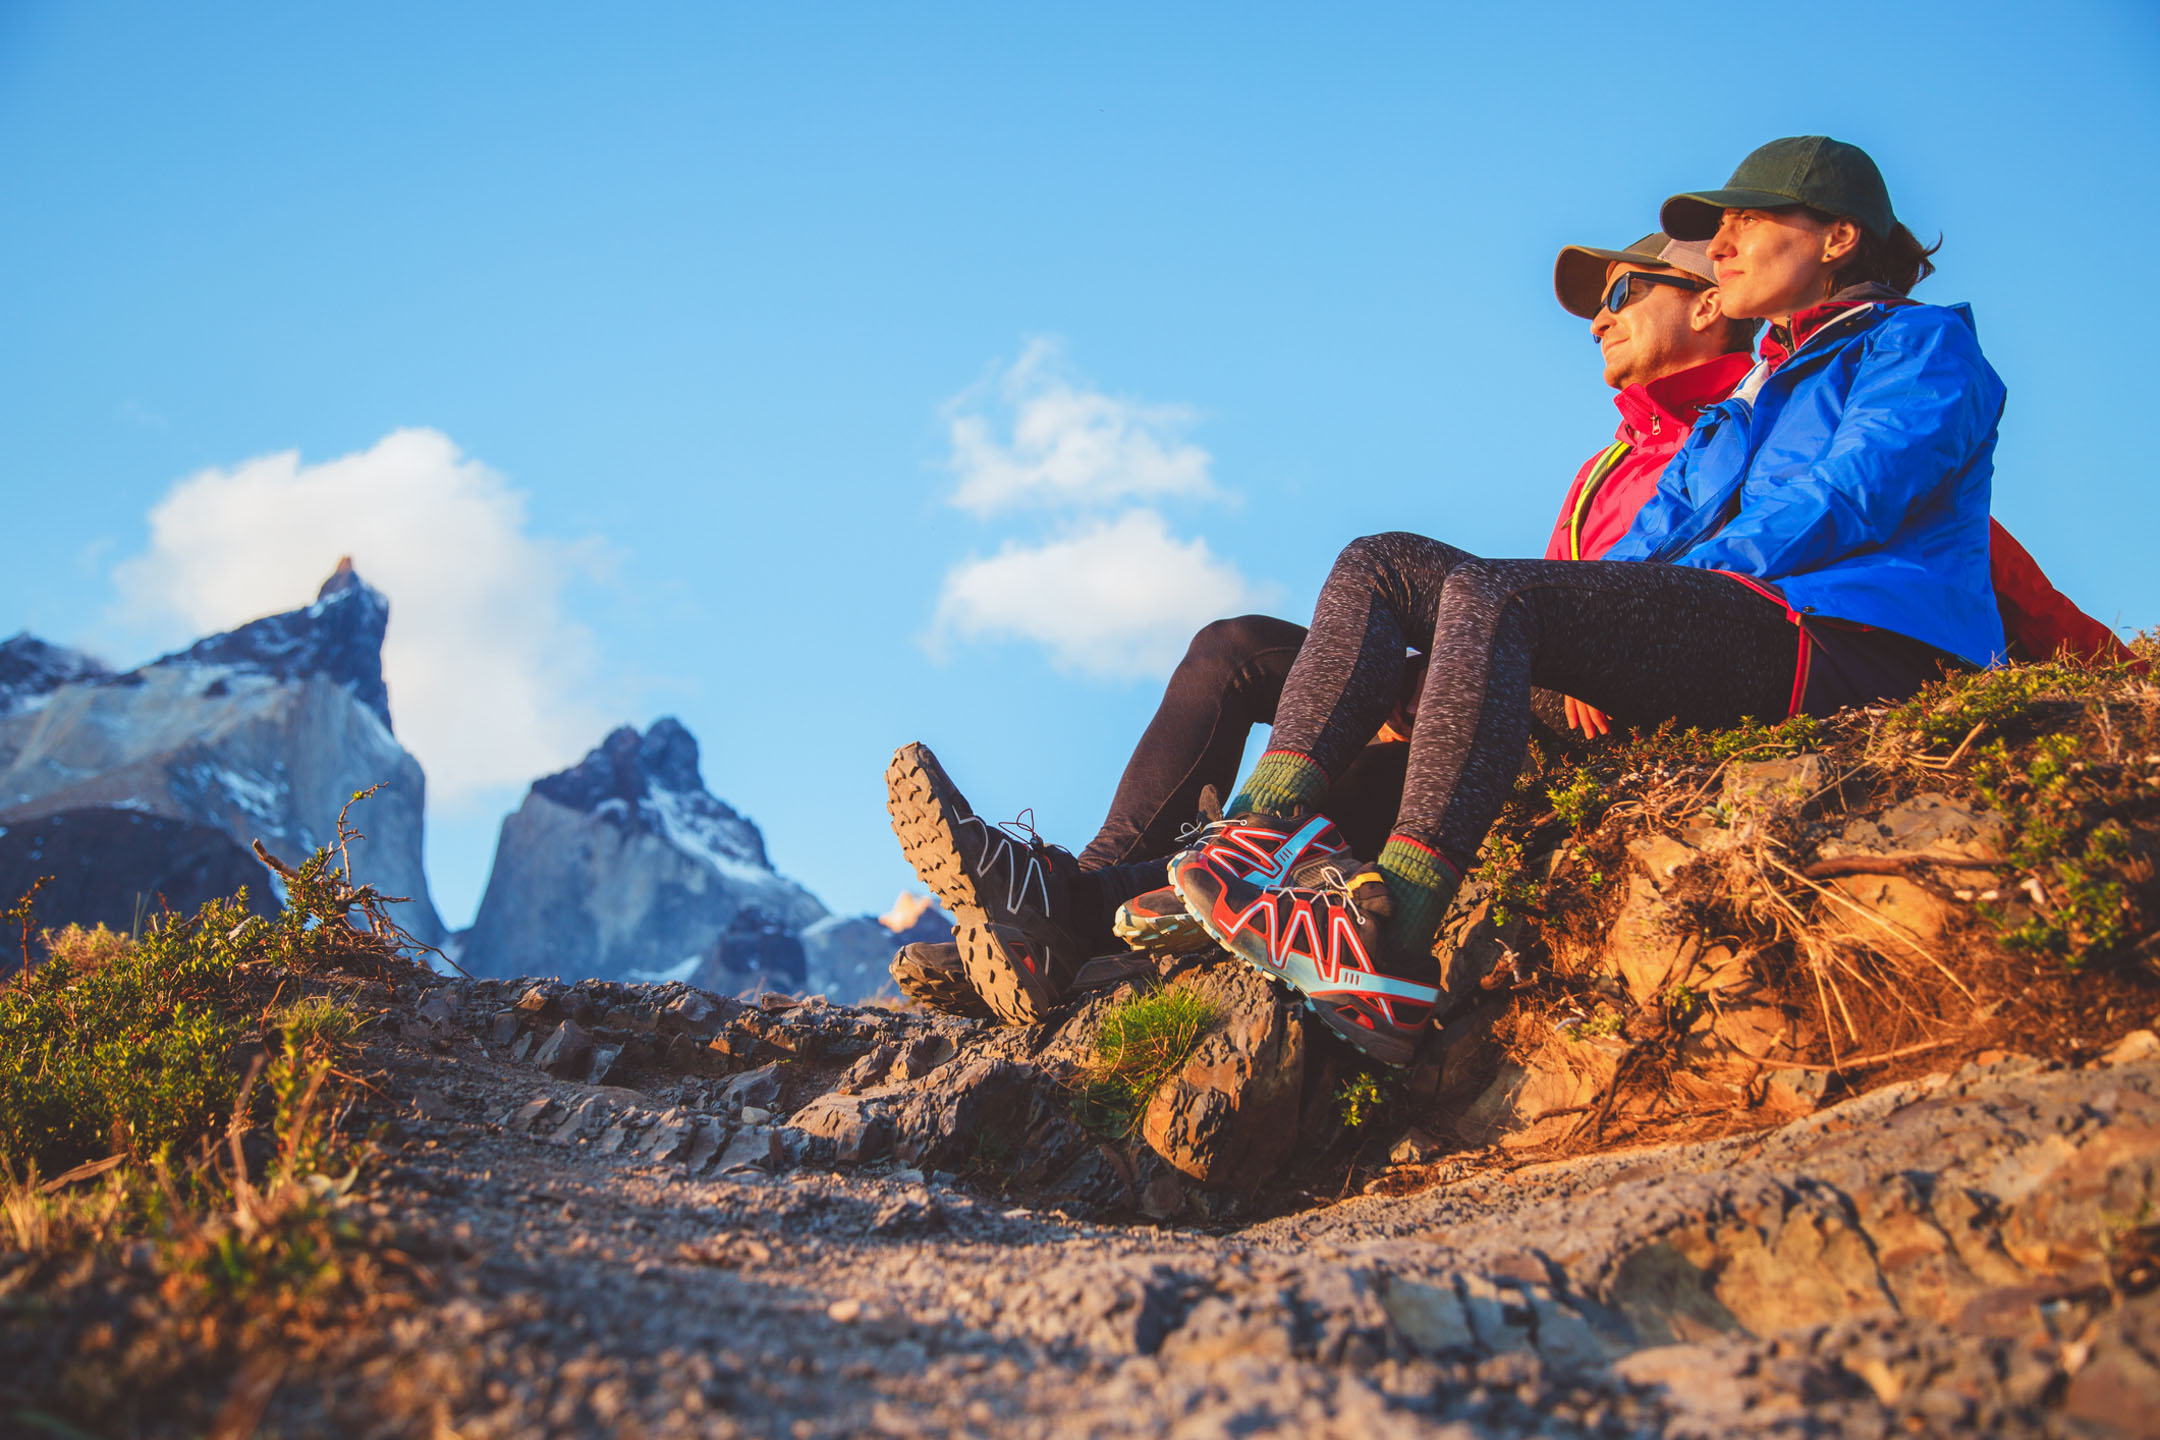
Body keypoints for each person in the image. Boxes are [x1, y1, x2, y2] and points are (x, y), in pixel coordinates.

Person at [1164, 136, 2076, 1068]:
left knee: (1496, 595)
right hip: (1738, 619)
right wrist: (1598, 628)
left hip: (1841, 643)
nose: (1722, 245)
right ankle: (1262, 835)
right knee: (1383, 561)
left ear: (1840, 236)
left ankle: (1392, 947)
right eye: (1717, 229)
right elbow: (1651, 540)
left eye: (1747, 221)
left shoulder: (1921, 345)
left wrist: (1633, 608)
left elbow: (1849, 498)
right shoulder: (1751, 395)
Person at [888, 230, 1763, 1023]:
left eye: (1622, 296)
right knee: (1233, 648)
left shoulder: (1746, 427)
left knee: (1349, 782)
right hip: (1504, 665)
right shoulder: (1609, 463)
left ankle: (1060, 913)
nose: (1596, 323)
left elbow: (1719, 586)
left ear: (1707, 300)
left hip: (1587, 705)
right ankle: (1067, 898)